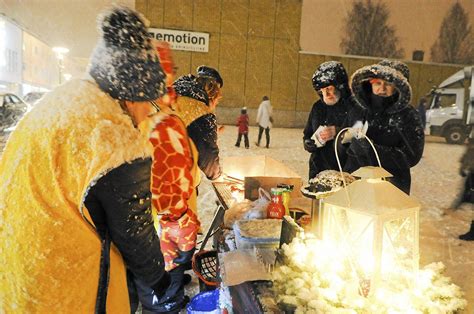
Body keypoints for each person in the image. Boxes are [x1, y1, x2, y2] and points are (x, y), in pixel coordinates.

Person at [0, 6, 170, 312]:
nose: (149, 113)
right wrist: (160, 280)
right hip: (69, 288)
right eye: (150, 103)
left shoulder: (62, 100)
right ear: (129, 96)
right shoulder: (111, 134)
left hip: (21, 274)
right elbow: (135, 231)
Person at [344, 63, 425, 194]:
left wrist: (372, 150)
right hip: (355, 185)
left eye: (388, 84)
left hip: (391, 187)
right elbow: (346, 138)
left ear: (397, 87)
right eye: (377, 83)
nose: (382, 88)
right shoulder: (358, 110)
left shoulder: (408, 115)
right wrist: (344, 144)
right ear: (369, 84)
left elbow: (411, 156)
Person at [303, 61, 355, 180]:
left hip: (346, 172)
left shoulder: (354, 107)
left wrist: (338, 131)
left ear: (340, 86)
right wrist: (308, 143)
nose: (326, 94)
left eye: (329, 88)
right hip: (319, 170)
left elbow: (361, 134)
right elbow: (308, 133)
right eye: (322, 90)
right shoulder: (318, 107)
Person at [172, 66, 223, 180]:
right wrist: (218, 174)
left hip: (150, 170)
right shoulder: (201, 111)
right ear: (212, 95)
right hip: (175, 181)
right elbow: (209, 160)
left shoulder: (174, 94)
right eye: (217, 101)